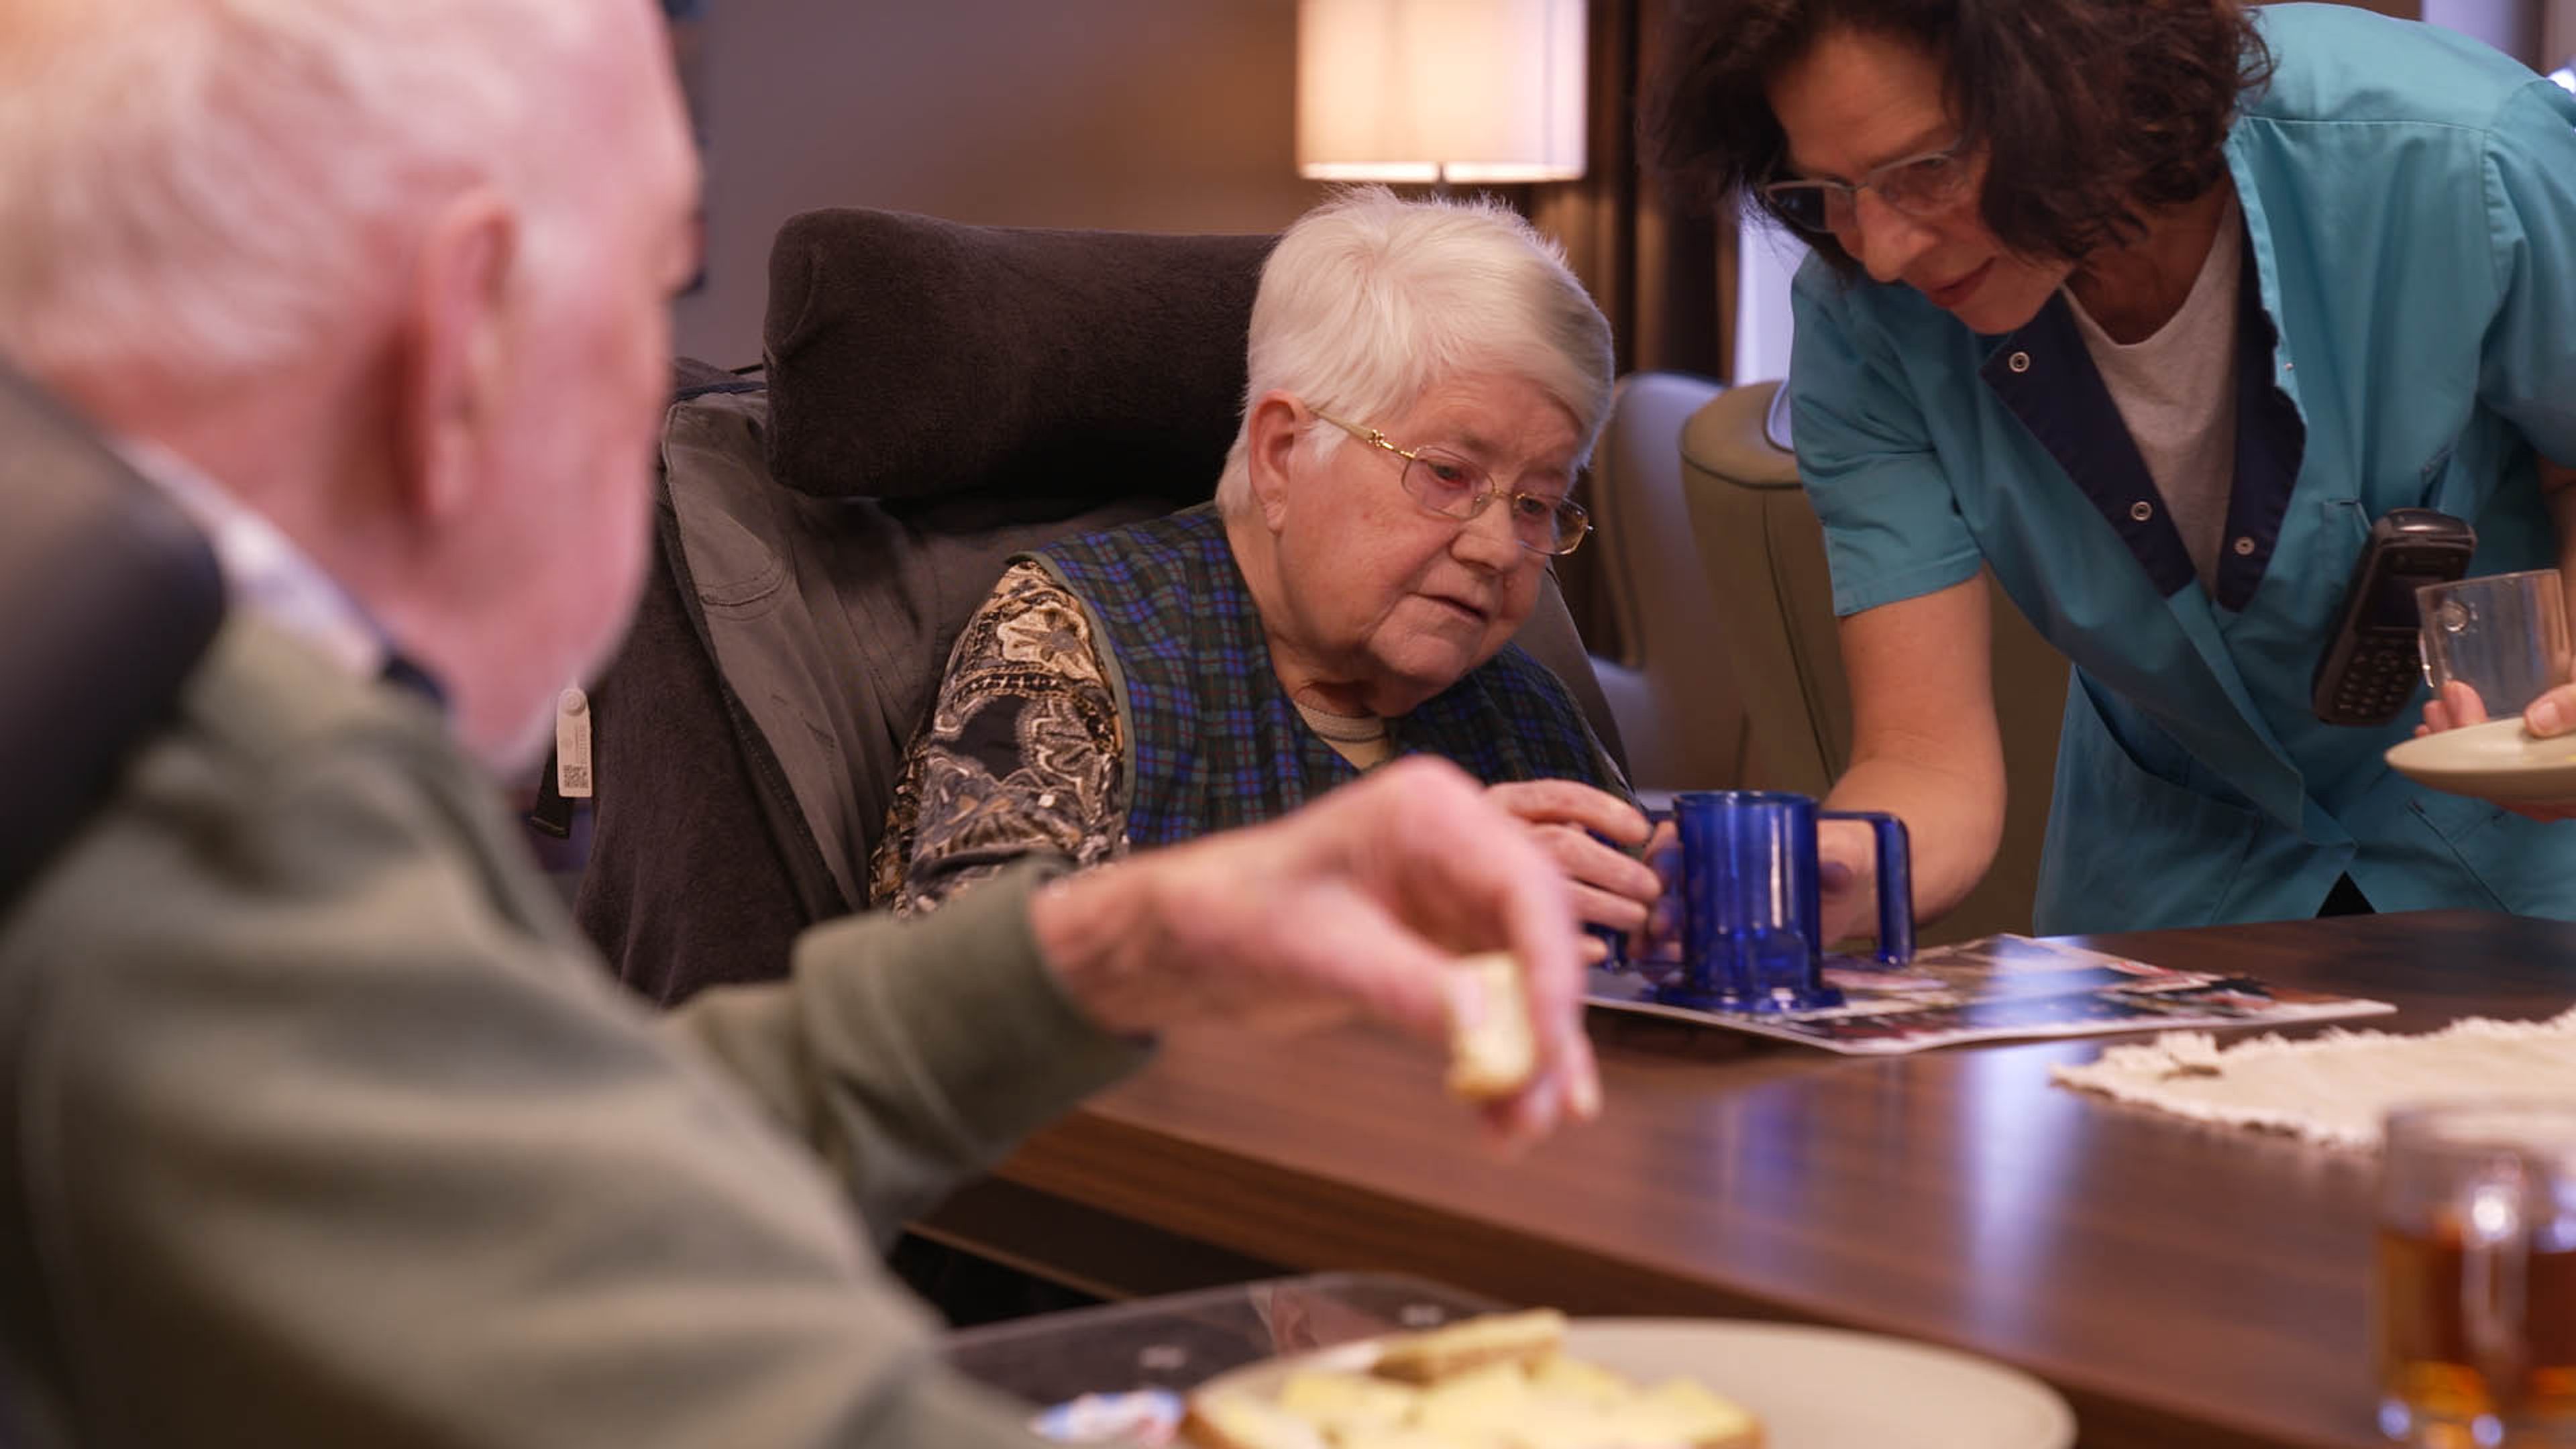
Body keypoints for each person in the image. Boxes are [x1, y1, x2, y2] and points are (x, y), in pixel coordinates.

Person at [0, 2, 1603, 1444]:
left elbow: (564, 1153)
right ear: (465, 332)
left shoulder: (135, 676)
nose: (666, 398)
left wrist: (1115, 946)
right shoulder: (208, 807)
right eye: (649, 290)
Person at [1645, 0, 2576, 936]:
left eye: (1925, 171)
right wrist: (1829, 869)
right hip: (2172, 899)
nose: (1882, 253)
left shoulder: (2461, 156)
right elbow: (1926, 762)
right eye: (1826, 193)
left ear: (2087, 81)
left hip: (2520, 874)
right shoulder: (1862, 323)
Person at [870, 188, 1663, 947]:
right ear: (1283, 455)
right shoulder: (1068, 639)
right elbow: (973, 990)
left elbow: (1635, 948)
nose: (1498, 546)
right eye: (1449, 474)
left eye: (1535, 503)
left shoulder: (1523, 708)